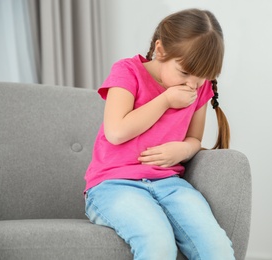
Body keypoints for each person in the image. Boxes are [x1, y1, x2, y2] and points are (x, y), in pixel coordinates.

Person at [84, 8, 234, 260]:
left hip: (169, 184)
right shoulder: (127, 71)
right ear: (160, 50)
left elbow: (195, 139)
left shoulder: (198, 88)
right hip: (113, 185)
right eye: (185, 73)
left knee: (216, 248)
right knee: (158, 243)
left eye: (200, 80)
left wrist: (184, 150)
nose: (191, 85)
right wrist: (165, 100)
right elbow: (116, 132)